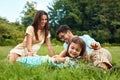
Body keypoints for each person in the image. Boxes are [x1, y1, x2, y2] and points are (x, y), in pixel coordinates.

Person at [16, 37, 86, 67]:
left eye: (77, 50)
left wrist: (63, 59)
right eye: (72, 48)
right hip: (51, 59)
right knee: (43, 58)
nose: (74, 51)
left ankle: (28, 57)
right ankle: (27, 56)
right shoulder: (65, 52)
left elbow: (73, 63)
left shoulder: (79, 59)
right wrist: (57, 57)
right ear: (68, 47)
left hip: (58, 61)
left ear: (81, 52)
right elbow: (57, 58)